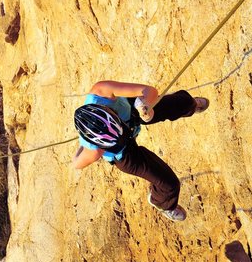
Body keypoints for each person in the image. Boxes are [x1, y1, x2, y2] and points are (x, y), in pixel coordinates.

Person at [72, 80, 209, 222]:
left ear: (106, 108)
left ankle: (191, 105)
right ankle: (161, 203)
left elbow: (149, 91)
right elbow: (76, 163)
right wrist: (83, 144)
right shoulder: (94, 150)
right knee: (169, 184)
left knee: (182, 102)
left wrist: (145, 105)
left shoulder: (102, 91)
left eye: (114, 114)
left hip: (134, 113)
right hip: (124, 151)